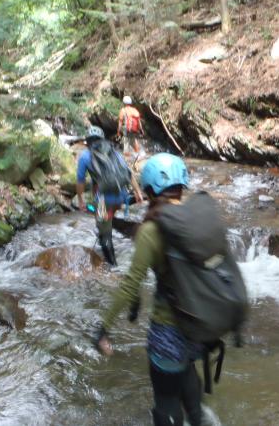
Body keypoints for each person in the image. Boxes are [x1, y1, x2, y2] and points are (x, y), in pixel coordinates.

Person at [93, 153, 205, 426]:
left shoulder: (152, 230)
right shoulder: (197, 218)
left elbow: (131, 283)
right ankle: (199, 418)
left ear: (150, 189)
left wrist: (103, 327)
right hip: (200, 326)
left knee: (166, 402)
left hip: (168, 331)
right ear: (182, 185)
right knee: (188, 372)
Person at [76, 125, 143, 266]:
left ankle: (113, 267)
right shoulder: (114, 152)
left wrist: (80, 200)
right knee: (106, 214)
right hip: (121, 196)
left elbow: (80, 181)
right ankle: (109, 220)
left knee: (103, 231)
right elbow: (128, 173)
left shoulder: (85, 156)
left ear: (87, 141)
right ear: (102, 139)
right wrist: (138, 192)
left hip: (103, 201)